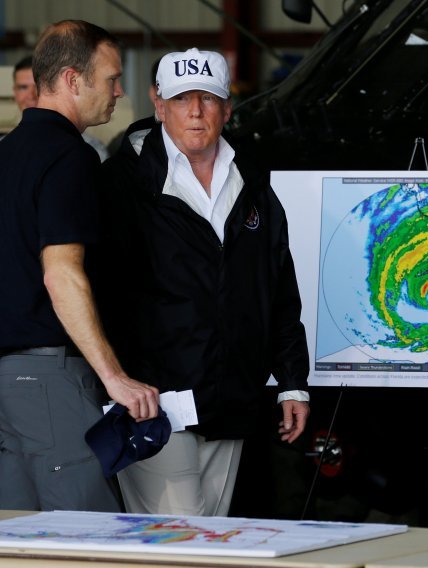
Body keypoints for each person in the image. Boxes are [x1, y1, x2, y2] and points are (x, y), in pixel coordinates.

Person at [99, 48, 310, 516]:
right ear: (159, 105)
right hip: (156, 404)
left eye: (208, 98)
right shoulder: (123, 184)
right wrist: (115, 380)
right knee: (178, 541)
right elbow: (101, 292)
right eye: (181, 99)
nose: (195, 111)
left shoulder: (251, 181)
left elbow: (278, 288)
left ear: (227, 107)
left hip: (230, 399)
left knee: (210, 543)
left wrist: (293, 383)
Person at [0, 20, 160, 512]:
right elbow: (62, 272)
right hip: (49, 376)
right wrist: (113, 376)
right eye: (111, 79)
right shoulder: (69, 157)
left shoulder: (5, 153)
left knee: (19, 538)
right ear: (73, 80)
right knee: (87, 536)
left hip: (8, 382)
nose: (118, 92)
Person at [11, 53, 110, 161]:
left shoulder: (91, 148)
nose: (31, 96)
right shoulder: (4, 146)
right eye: (23, 87)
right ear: (14, 92)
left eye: (37, 87)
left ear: (51, 89)